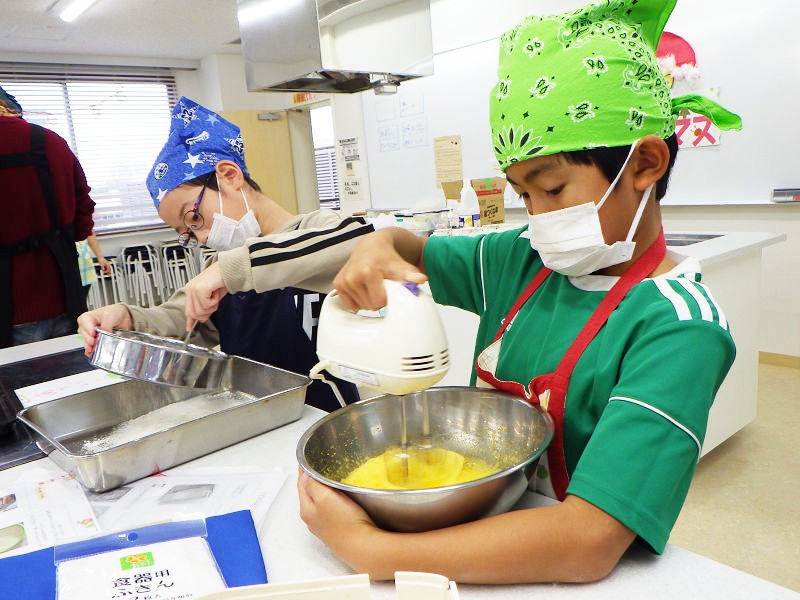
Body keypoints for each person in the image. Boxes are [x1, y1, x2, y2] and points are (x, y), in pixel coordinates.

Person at [297, 0, 742, 583]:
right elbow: (410, 248)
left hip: (558, 569)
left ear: (646, 165)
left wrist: (371, 552)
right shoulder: (521, 260)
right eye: (523, 195)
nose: (536, 218)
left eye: (553, 188)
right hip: (465, 541)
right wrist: (378, 245)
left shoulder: (680, 328)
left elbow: (589, 540)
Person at [77, 97, 375, 411]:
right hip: (259, 420)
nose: (203, 236)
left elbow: (357, 240)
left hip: (329, 418)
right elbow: (181, 320)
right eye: (188, 234)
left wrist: (231, 270)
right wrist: (131, 318)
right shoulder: (218, 265)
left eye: (194, 218)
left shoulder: (317, 229)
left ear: (230, 175)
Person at [0, 86, 94, 348]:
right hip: (63, 295)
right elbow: (83, 209)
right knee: (70, 382)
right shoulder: (51, 141)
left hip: (8, 311)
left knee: (14, 387)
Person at [76, 232, 113, 301]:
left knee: (80, 304)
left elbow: (89, 232)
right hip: (61, 264)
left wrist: (100, 257)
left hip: (83, 264)